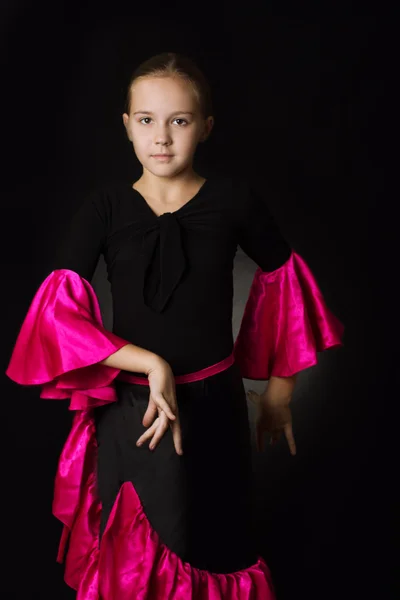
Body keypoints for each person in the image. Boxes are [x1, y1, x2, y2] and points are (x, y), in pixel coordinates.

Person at [6, 52, 344, 599]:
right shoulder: (106, 207)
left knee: (215, 543)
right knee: (139, 551)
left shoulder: (235, 200)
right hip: (132, 415)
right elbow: (56, 314)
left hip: (213, 410)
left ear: (205, 127)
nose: (161, 137)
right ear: (126, 126)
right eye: (146, 120)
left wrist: (279, 394)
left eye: (179, 121)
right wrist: (148, 362)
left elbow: (286, 284)